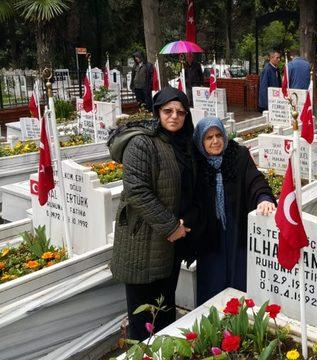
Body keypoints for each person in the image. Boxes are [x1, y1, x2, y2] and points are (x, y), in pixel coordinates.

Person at [108, 87, 197, 341]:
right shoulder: (142, 143)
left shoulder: (181, 143)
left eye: (180, 112)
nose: (174, 116)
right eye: (168, 110)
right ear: (158, 112)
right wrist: (171, 226)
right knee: (142, 320)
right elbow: (137, 190)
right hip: (142, 243)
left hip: (171, 245)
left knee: (165, 310)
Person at [192, 117, 276, 306]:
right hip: (210, 235)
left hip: (236, 227)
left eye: (219, 135)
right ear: (200, 141)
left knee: (240, 280)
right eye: (209, 137)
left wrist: (264, 198)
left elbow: (255, 180)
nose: (215, 141)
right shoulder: (195, 161)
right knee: (212, 283)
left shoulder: (239, 155)